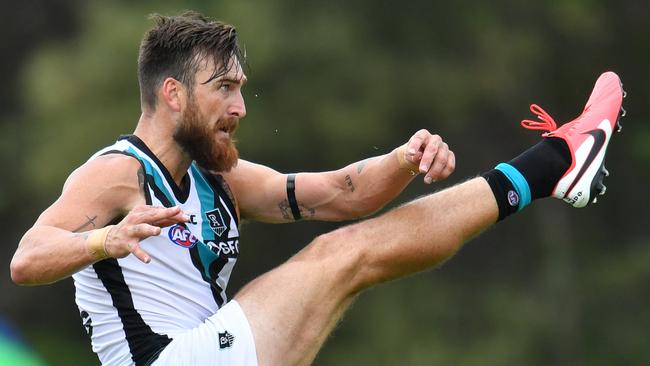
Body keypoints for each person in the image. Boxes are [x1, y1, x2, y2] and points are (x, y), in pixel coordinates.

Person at [10, 11, 625, 366]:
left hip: (206, 352)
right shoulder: (117, 171)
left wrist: (405, 160)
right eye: (224, 87)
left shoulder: (218, 179)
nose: (241, 106)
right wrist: (104, 241)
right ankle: (555, 161)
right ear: (174, 94)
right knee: (343, 258)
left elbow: (343, 195)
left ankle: (554, 166)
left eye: (241, 87)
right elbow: (26, 259)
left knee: (356, 251)